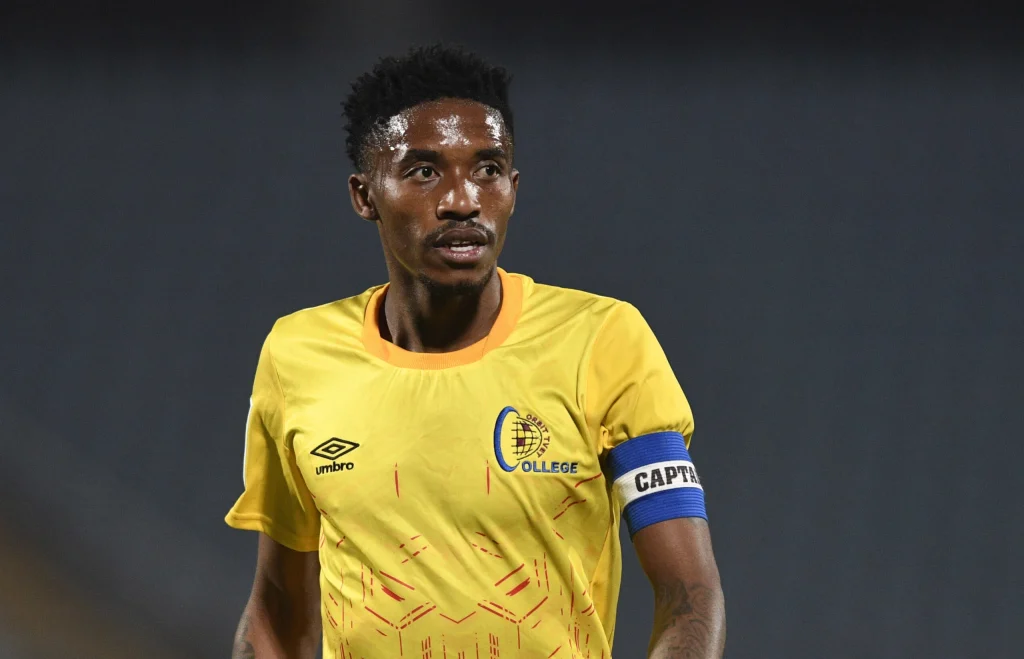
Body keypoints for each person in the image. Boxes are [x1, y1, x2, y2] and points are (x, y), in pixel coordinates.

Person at [226, 43, 725, 659]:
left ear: (513, 188)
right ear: (364, 195)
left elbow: (689, 596)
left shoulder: (603, 340)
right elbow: (277, 616)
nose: (462, 200)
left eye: (487, 169)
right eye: (423, 171)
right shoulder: (298, 355)